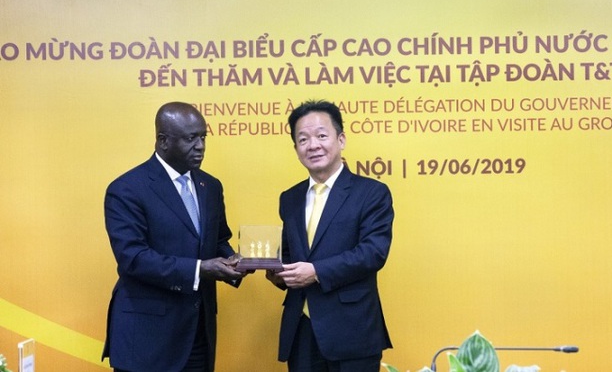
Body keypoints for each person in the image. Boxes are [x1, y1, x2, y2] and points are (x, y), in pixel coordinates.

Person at [102, 102, 245, 372]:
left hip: (197, 334)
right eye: (191, 139)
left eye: (203, 137)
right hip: (147, 339)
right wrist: (200, 269)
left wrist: (236, 262)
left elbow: (217, 240)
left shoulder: (210, 186)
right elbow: (133, 259)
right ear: (163, 141)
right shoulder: (126, 189)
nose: (200, 146)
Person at [267, 100, 394, 372]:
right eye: (303, 139)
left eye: (321, 136)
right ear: (296, 149)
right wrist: (276, 270)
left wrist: (315, 272)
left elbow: (372, 253)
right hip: (301, 331)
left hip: (352, 331)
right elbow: (289, 254)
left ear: (341, 140)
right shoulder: (289, 198)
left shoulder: (371, 193)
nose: (313, 145)